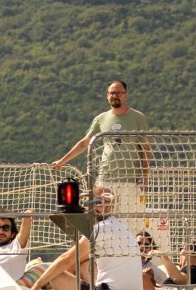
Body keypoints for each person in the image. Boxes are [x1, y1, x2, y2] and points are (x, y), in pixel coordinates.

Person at [51, 79, 152, 220]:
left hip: (130, 179)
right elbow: (84, 143)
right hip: (105, 177)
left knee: (130, 220)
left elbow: (146, 149)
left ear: (125, 95)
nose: (115, 96)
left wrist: (144, 176)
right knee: (100, 220)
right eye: (112, 93)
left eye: (118, 93)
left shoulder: (138, 117)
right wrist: (62, 161)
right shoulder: (101, 119)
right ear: (107, 96)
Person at [32, 185, 143, 290]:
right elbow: (77, 259)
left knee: (55, 276)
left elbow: (67, 259)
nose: (90, 208)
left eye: (98, 202)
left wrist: (36, 286)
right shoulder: (119, 226)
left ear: (111, 206)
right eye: (92, 203)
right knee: (83, 264)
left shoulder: (103, 228)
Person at [0, 212, 36, 284]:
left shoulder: (15, 248)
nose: (1, 231)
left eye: (6, 228)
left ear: (12, 234)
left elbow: (24, 231)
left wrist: (27, 215)